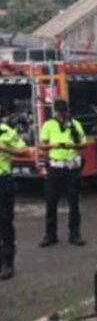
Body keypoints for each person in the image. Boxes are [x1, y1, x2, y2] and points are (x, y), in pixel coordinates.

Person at [39, 100, 88, 247]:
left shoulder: (75, 124)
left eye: (64, 113)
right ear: (56, 112)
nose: (62, 116)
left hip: (71, 167)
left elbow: (83, 144)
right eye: (60, 113)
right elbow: (42, 145)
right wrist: (52, 145)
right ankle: (50, 235)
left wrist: (72, 145)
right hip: (55, 167)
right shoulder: (48, 125)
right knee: (51, 202)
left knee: (74, 203)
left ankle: (75, 235)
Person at [0, 103, 28, 280]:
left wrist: (5, 149)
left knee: (4, 223)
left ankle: (7, 263)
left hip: (2, 182)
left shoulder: (6, 132)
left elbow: (24, 151)